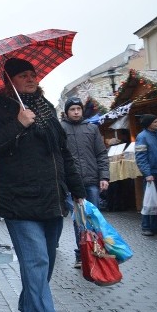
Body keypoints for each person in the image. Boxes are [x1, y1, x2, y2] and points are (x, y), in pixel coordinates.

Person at [0, 58, 85, 312]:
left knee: (47, 260)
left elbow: (62, 152)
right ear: (9, 80)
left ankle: (29, 301)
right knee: (35, 260)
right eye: (23, 75)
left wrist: (77, 190)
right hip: (18, 199)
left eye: (33, 74)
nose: (31, 78)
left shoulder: (47, 108)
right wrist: (17, 124)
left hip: (51, 197)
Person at [60, 96, 110, 266]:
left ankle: (95, 249)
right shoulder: (61, 128)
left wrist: (104, 176)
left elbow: (101, 154)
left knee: (94, 217)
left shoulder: (91, 128)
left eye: (78, 109)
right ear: (67, 112)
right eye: (72, 109)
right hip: (72, 184)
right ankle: (81, 253)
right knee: (78, 219)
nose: (76, 112)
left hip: (91, 181)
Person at [135, 113, 157, 236]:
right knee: (149, 200)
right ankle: (146, 227)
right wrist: (147, 173)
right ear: (149, 124)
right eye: (155, 122)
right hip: (151, 173)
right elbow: (140, 157)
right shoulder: (142, 136)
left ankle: (156, 226)